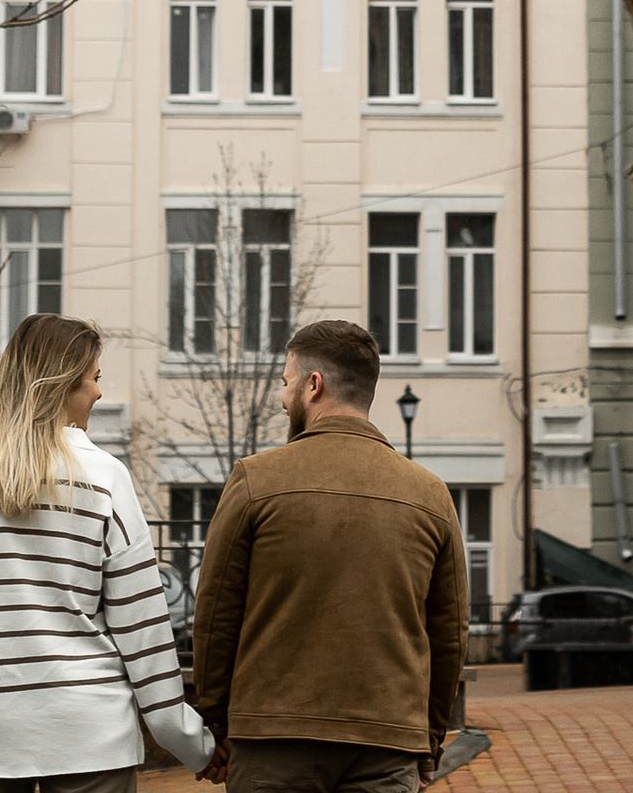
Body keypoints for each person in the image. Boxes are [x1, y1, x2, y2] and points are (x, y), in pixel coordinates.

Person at [0, 313, 213, 793]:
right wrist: (196, 746)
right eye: (94, 378)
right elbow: (144, 632)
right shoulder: (105, 478)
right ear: (62, 384)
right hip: (91, 735)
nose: (99, 393)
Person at [190, 319, 466, 793]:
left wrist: (215, 724)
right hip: (387, 739)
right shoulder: (431, 495)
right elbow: (449, 635)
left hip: (274, 738)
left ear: (313, 386)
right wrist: (429, 739)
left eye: (285, 383)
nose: (282, 397)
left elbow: (215, 615)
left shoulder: (257, 480)